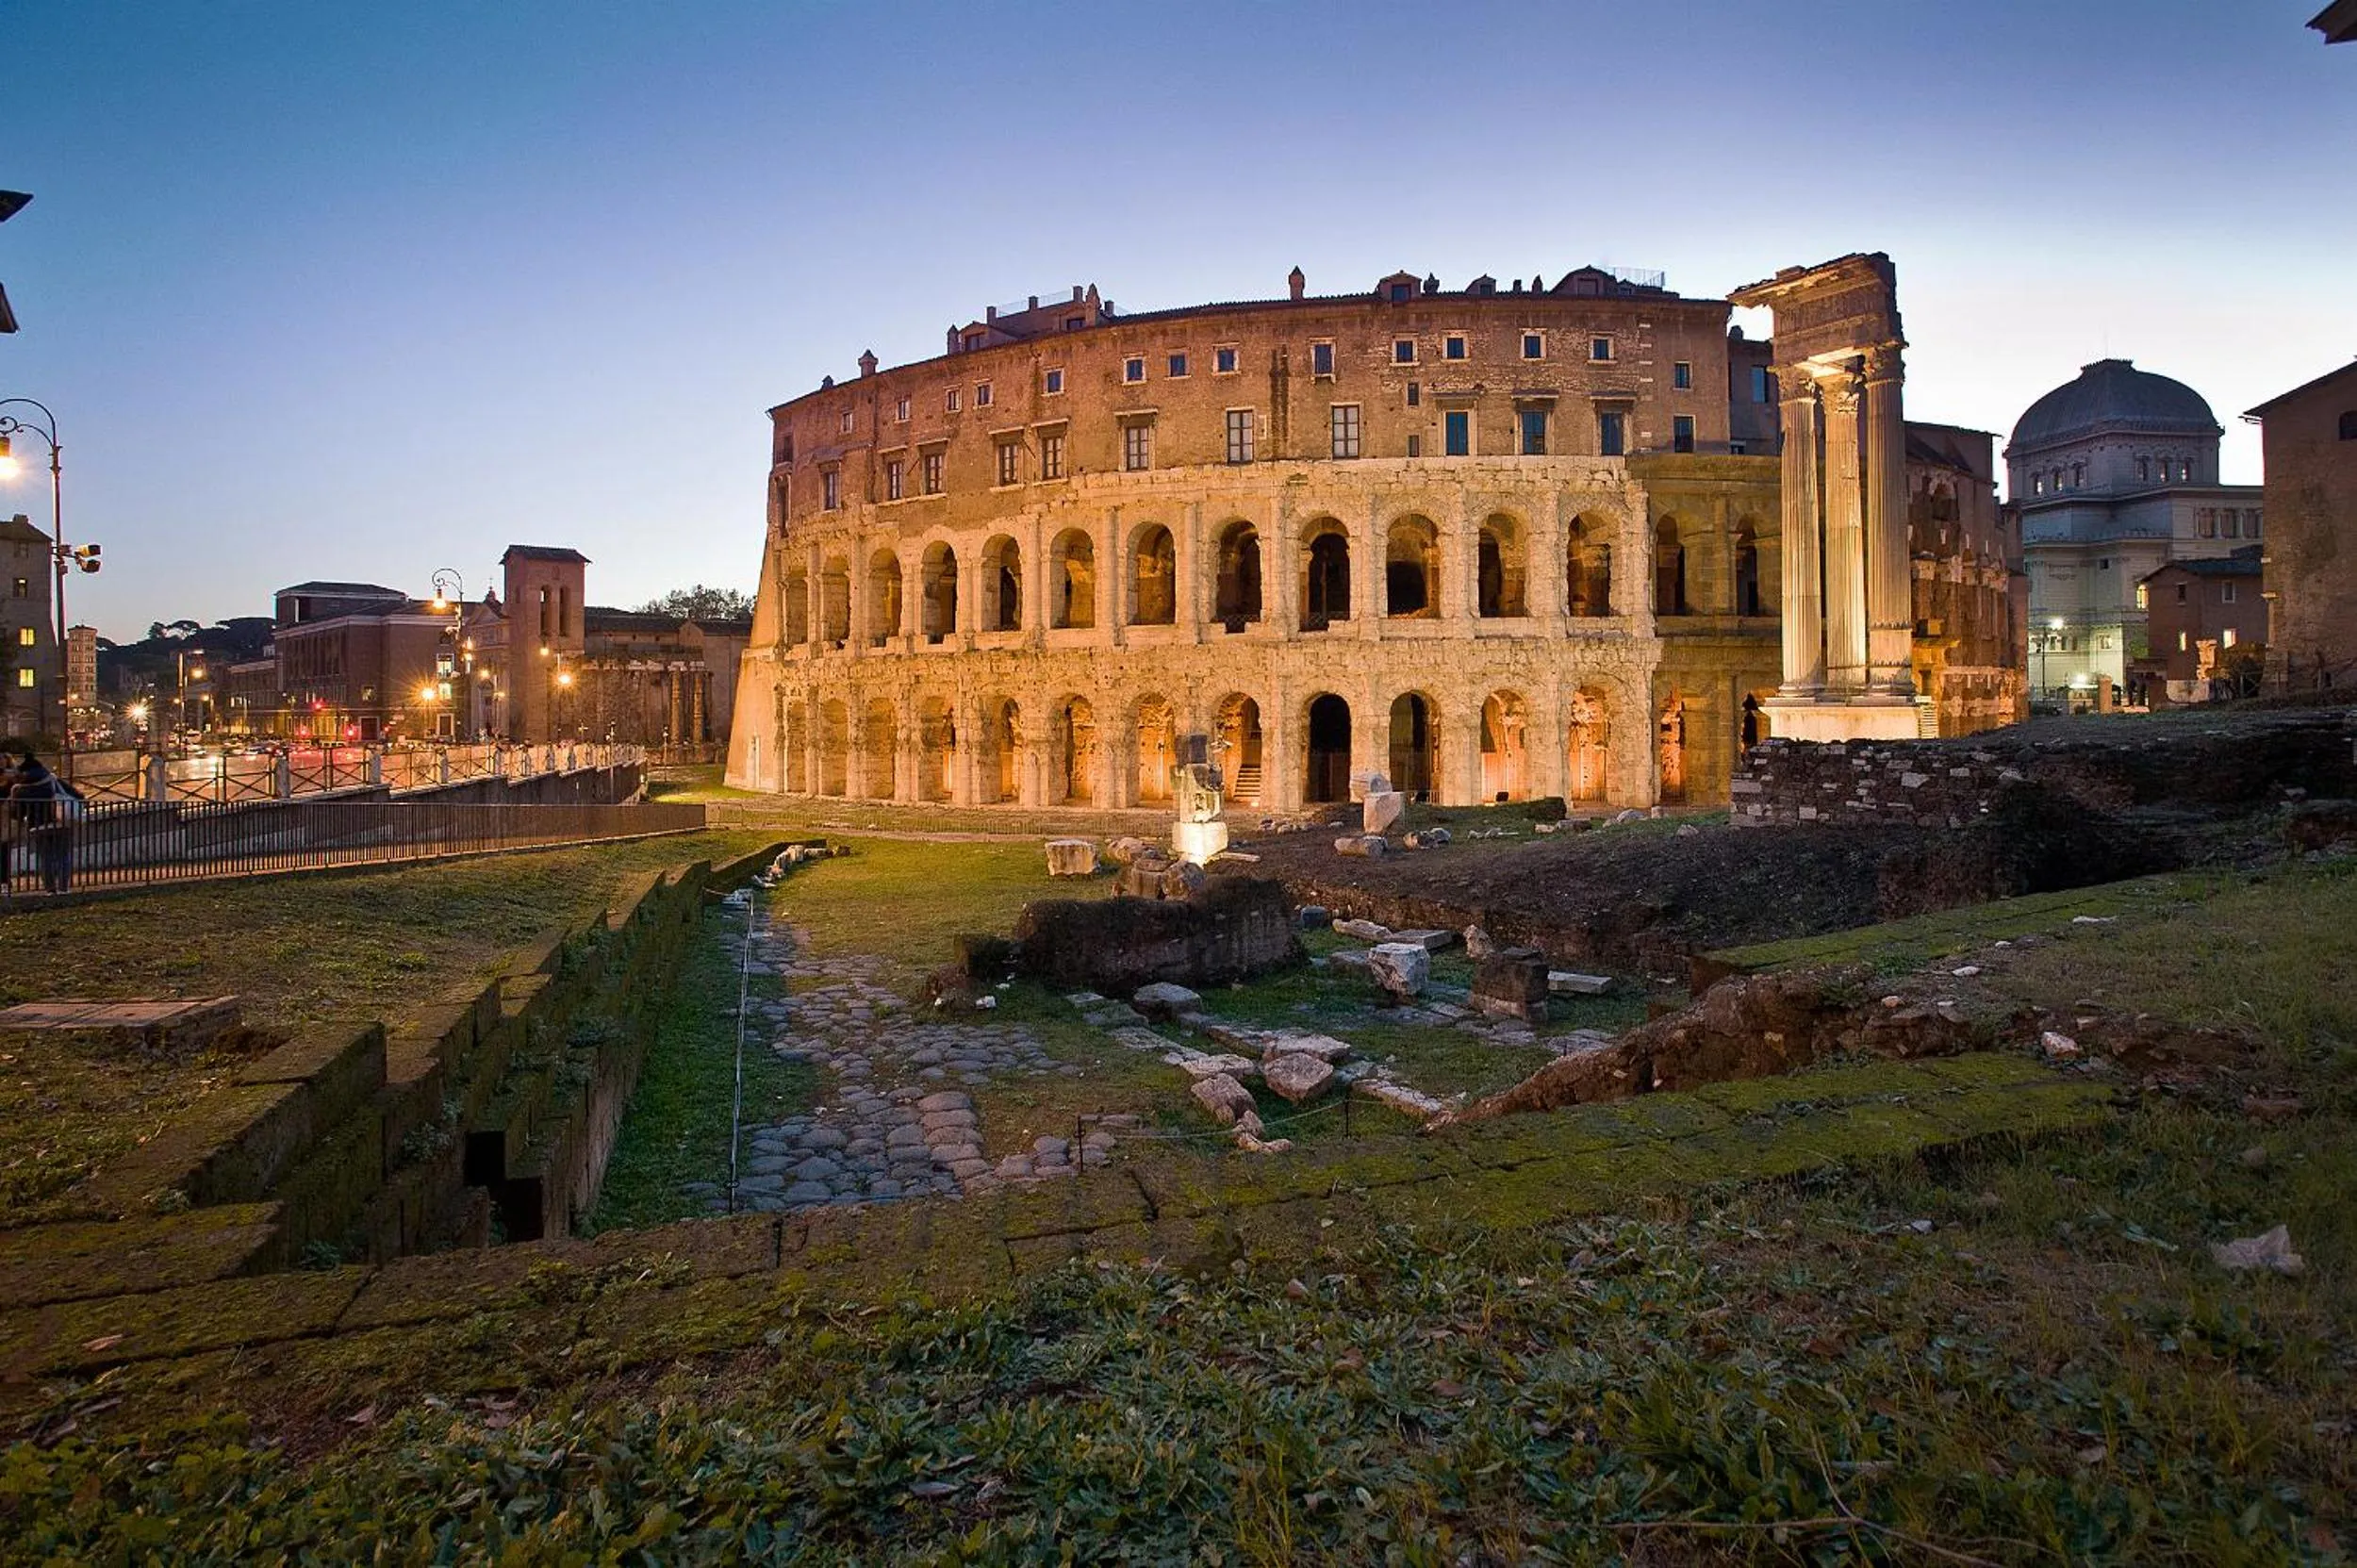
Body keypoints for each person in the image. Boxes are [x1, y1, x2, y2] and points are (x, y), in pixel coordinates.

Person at [8, 746, 77, 894]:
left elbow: (17, 814)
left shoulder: (21, 789)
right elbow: (77, 795)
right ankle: (64, 888)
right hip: (61, 822)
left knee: (45, 857)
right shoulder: (52, 780)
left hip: (37, 825)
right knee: (63, 855)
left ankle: (50, 889)